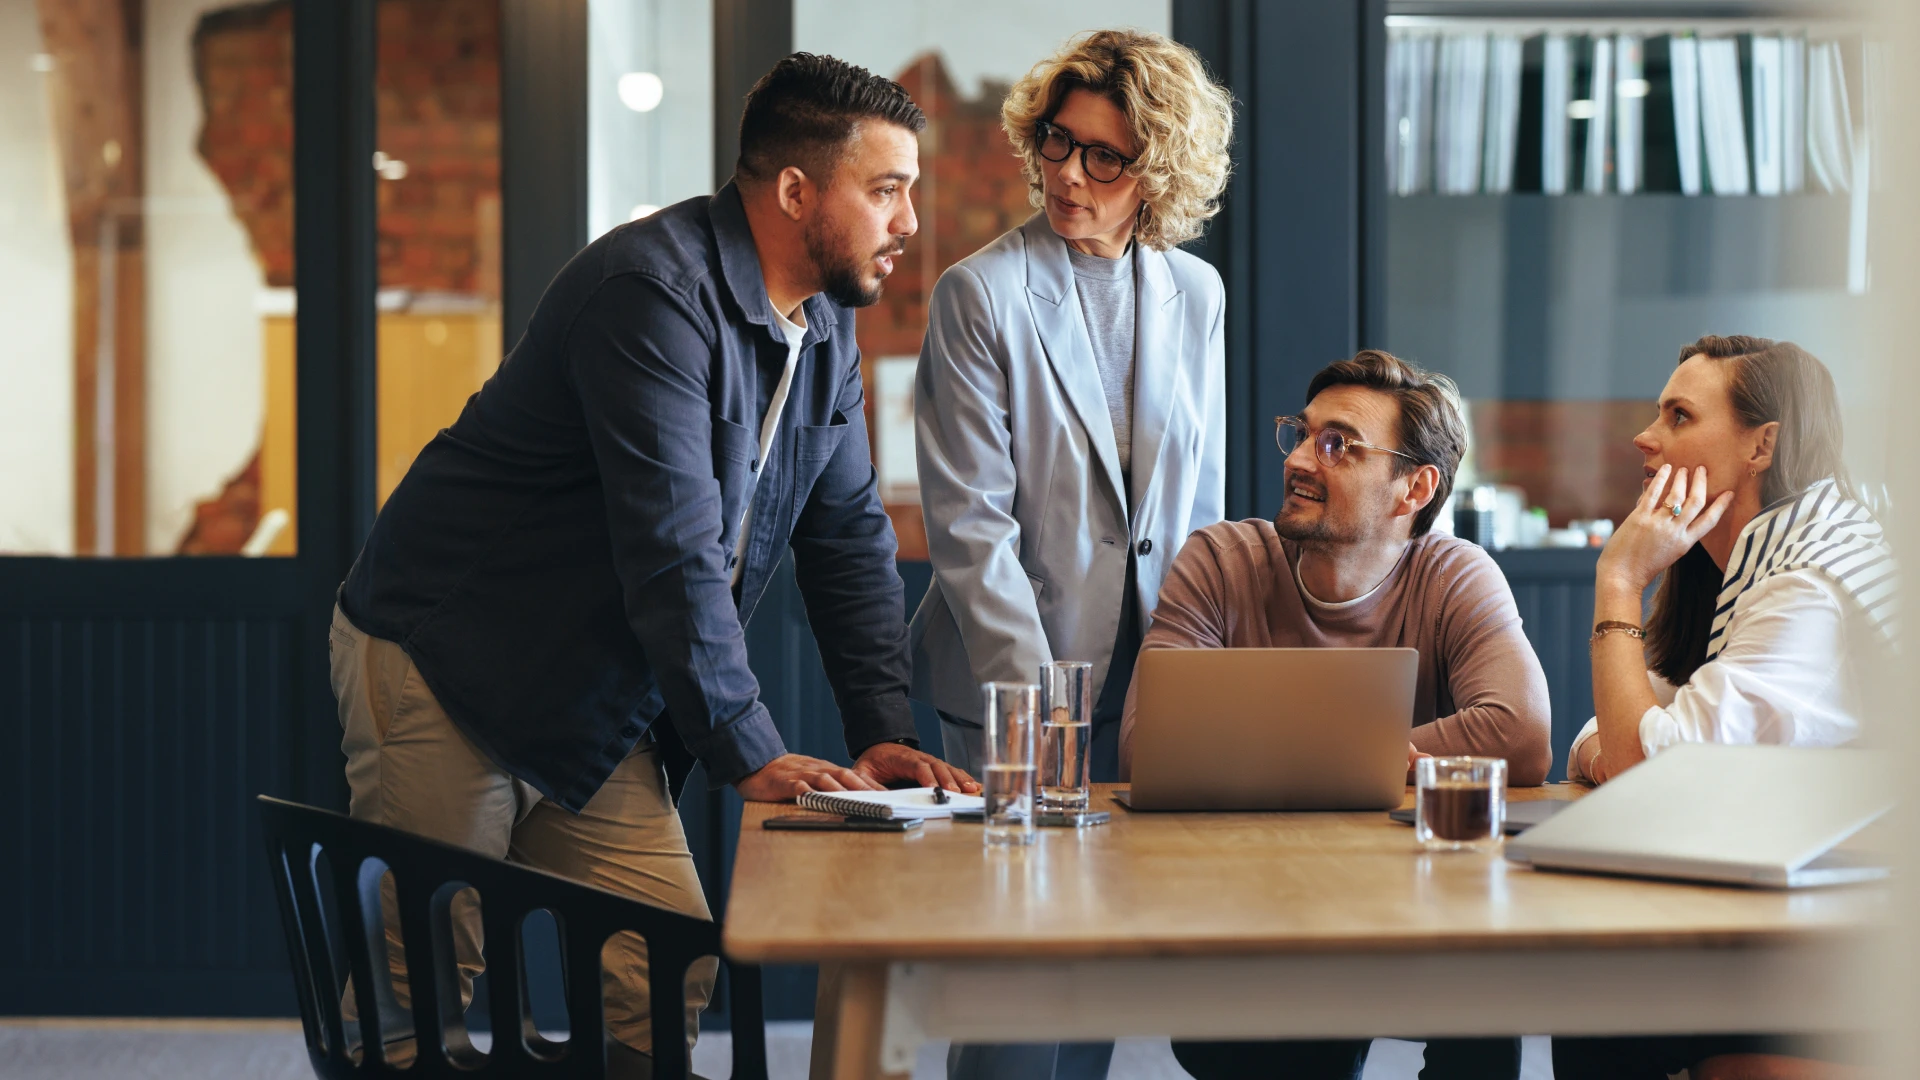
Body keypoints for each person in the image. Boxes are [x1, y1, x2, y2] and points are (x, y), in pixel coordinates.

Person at [328, 53, 973, 1066]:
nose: (908, 224)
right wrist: (749, 748)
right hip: (448, 662)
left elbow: (846, 536)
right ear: (797, 191)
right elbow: (672, 550)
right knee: (422, 983)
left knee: (661, 960)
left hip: (593, 689)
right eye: (887, 191)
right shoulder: (651, 295)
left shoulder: (823, 328)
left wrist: (882, 733)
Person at [907, 29, 1232, 1080]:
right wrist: (1037, 713)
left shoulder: (1197, 294)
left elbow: (1201, 503)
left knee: (1092, 968)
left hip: (1148, 687)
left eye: (1108, 157)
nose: (1071, 176)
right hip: (1009, 689)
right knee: (1011, 992)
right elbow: (970, 527)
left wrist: (1198, 676)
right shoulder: (980, 295)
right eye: (1059, 143)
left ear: (1160, 172)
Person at [1120, 349, 1553, 1080]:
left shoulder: (1454, 574)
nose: (1299, 459)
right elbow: (1146, 747)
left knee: (1483, 1005)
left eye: (1338, 445)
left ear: (1414, 488)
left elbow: (1520, 731)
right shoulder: (1220, 561)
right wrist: (1372, 761)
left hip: (1421, 901)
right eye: (1301, 433)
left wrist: (1287, 761)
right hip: (1257, 905)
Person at [1555, 335, 1891, 1080]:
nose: (1646, 437)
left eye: (1678, 416)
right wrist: (1624, 746)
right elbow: (1614, 735)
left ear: (1761, 446)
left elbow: (1646, 766)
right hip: (1787, 932)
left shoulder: (1807, 590)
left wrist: (1617, 582)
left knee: (1597, 998)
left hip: (1856, 969)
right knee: (1597, 994)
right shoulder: (1752, 566)